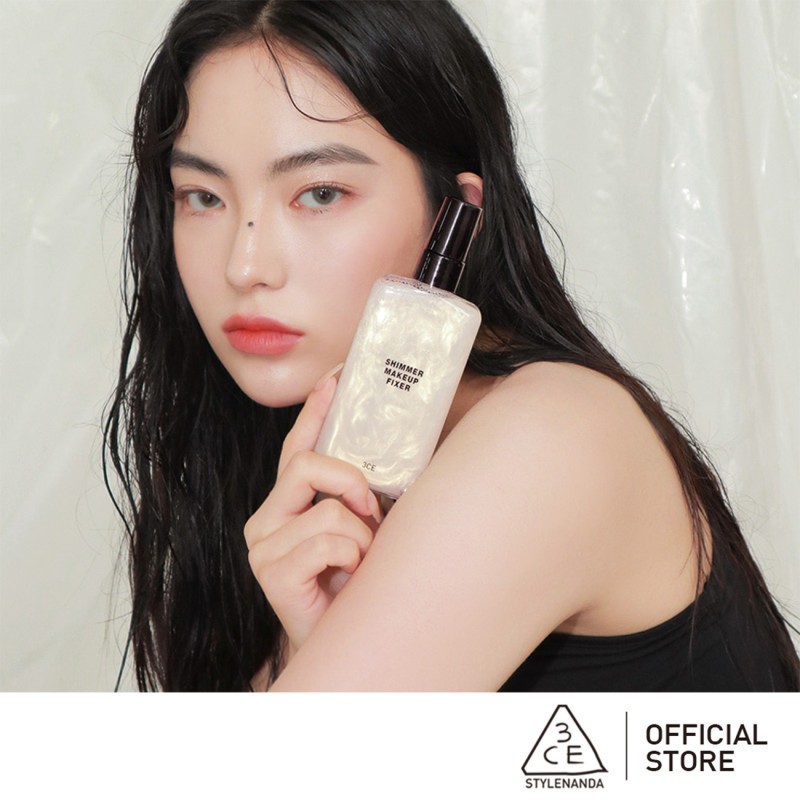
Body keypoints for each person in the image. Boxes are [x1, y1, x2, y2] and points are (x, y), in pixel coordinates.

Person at [103, 0, 799, 692]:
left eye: (319, 194)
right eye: (203, 197)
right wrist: (308, 633)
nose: (245, 266)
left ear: (457, 214)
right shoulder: (319, 452)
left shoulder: (551, 435)